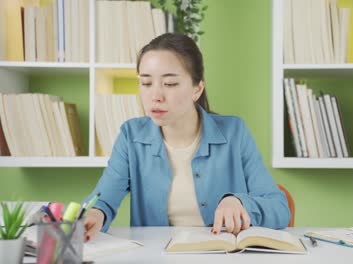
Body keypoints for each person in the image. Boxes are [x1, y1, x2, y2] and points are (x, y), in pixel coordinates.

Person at [83, 33, 290, 241]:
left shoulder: (234, 132)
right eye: (146, 83)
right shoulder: (131, 136)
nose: (156, 96)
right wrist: (95, 214)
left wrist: (239, 202)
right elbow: (103, 199)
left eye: (170, 84)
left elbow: (279, 207)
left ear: (197, 89)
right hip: (156, 257)